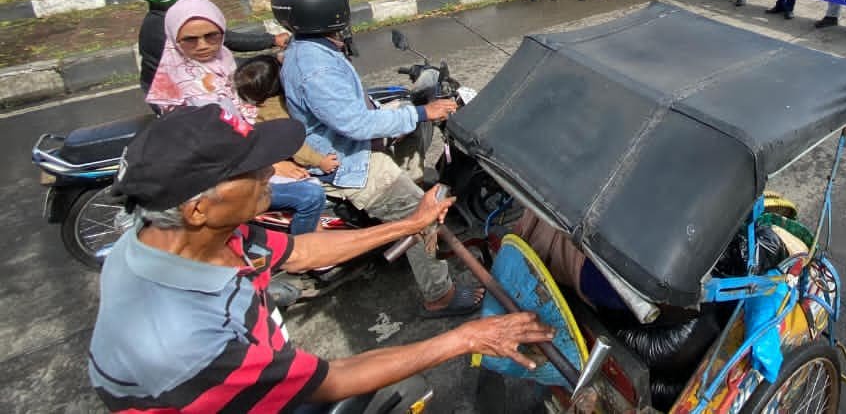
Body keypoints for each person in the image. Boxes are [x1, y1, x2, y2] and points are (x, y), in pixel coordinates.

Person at [88, 104, 553, 413]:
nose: (270, 171)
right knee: (401, 393)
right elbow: (331, 379)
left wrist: (410, 224)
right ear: (197, 207)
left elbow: (300, 250)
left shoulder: (174, 236)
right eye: (250, 170)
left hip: (244, 372)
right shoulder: (185, 342)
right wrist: (467, 337)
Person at [274, 0, 482, 318]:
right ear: (329, 12)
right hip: (348, 161)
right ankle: (439, 295)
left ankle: (408, 205)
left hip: (344, 146)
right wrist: (422, 112)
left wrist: (407, 111)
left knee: (404, 117)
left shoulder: (309, 46)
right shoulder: (316, 66)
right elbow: (355, 123)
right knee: (422, 214)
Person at [146, 0, 328, 236]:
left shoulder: (221, 59)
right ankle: (304, 254)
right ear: (173, 38)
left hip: (241, 154)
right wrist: (270, 164)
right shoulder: (185, 84)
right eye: (189, 39)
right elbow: (212, 145)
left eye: (212, 35)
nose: (202, 45)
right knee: (312, 194)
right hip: (217, 175)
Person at [133, 0, 287, 94]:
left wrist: (271, 41)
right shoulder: (164, 29)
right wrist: (272, 60)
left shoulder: (172, 18)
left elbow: (224, 38)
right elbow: (214, 66)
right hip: (183, 98)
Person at [235, 55, 341, 234]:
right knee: (313, 191)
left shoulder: (249, 103)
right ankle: (307, 238)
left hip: (259, 159)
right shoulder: (275, 109)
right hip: (266, 165)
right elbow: (294, 144)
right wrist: (320, 161)